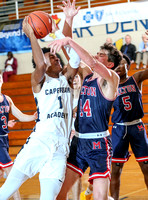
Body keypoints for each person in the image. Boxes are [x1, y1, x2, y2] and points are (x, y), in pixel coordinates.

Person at [0, 1, 81, 200]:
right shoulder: (38, 80)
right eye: (50, 57)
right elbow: (40, 65)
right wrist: (31, 36)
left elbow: (75, 59)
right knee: (7, 190)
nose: (55, 58)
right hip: (39, 141)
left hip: (61, 146)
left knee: (48, 197)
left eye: (55, 56)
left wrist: (67, 21)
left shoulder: (67, 78)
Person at [49, 35, 122, 199]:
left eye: (101, 54)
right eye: (97, 52)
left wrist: (69, 41)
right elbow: (72, 56)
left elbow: (92, 62)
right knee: (59, 193)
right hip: (78, 142)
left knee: (99, 197)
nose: (97, 55)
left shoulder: (111, 78)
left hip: (98, 145)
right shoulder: (87, 74)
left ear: (110, 64)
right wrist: (68, 21)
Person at [110, 54, 148, 200]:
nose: (119, 66)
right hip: (119, 129)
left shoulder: (135, 79)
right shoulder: (110, 83)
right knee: (116, 170)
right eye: (117, 64)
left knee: (146, 166)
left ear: (128, 65)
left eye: (122, 63)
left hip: (136, 126)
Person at [0, 72, 37, 200]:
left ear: (1, 80)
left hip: (4, 139)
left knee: (1, 173)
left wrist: (33, 117)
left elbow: (20, 115)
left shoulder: (7, 99)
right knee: (11, 174)